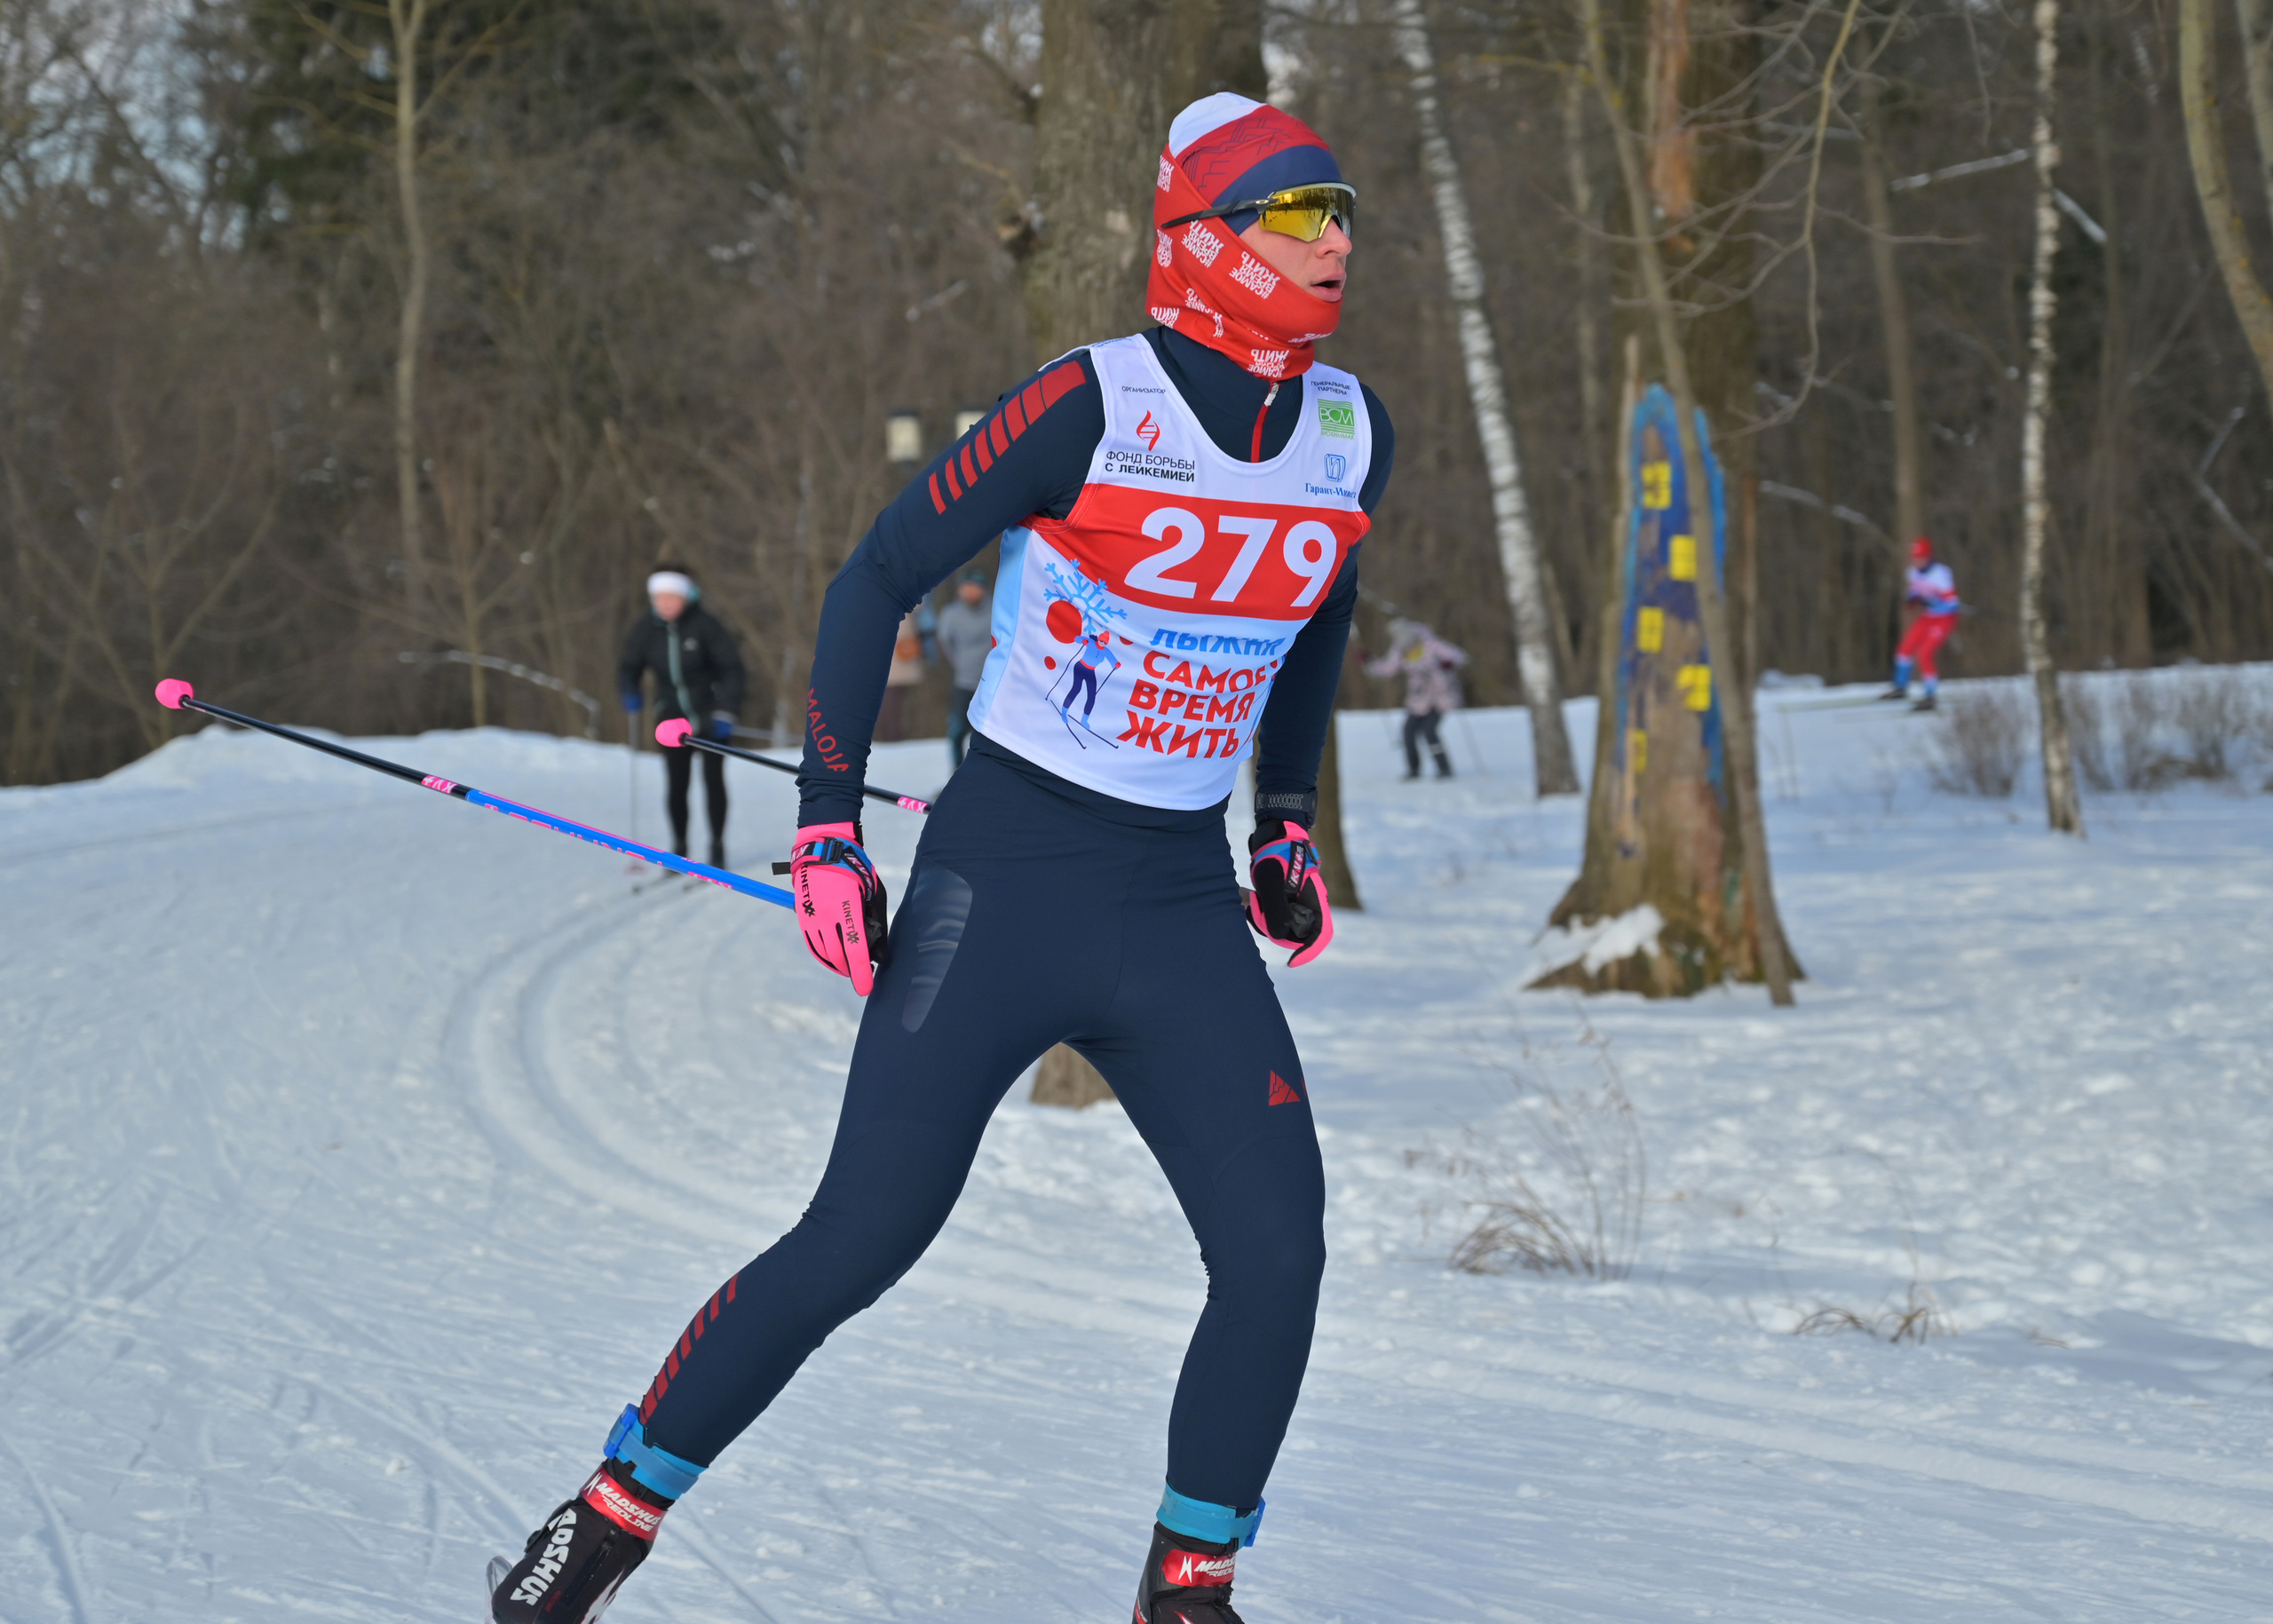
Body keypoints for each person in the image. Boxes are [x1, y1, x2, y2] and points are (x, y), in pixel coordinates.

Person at [491, 92, 1392, 1624]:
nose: (1332, 245)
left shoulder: (1354, 427)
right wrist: (829, 827)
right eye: (1296, 215)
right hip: (1009, 874)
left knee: (1280, 1250)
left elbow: (1319, 617)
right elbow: (878, 575)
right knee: (862, 1238)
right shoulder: (1091, 402)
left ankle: (1191, 1588)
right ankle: (605, 1514)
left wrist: (1284, 814)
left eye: (1343, 214)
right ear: (1201, 240)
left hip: (1177, 905)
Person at [617, 566, 745, 868]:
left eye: (671, 597)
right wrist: (629, 689)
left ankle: (716, 846)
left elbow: (732, 670)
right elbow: (628, 665)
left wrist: (726, 710)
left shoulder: (705, 626)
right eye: (658, 598)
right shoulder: (646, 628)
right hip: (671, 717)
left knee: (713, 781)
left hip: (710, 714)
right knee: (677, 784)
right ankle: (679, 847)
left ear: (686, 596)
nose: (664, 604)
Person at [1365, 617, 1467, 780]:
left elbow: (1459, 656)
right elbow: (1387, 669)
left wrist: (1449, 664)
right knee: (1408, 732)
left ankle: (1444, 769)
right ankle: (1414, 770)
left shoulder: (1431, 644)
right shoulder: (1400, 649)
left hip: (1441, 696)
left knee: (1429, 731)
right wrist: (1369, 662)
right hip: (1418, 699)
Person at [1886, 536, 1960, 711]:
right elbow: (1914, 593)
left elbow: (1952, 603)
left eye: (1921, 558)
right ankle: (1900, 688)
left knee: (1924, 654)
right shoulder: (1912, 573)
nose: (1918, 562)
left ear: (1929, 557)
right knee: (1904, 650)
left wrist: (1935, 601)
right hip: (1928, 617)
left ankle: (1930, 696)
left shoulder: (1941, 574)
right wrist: (1911, 600)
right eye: (1915, 558)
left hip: (1944, 619)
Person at [935, 568, 992, 769]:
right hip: (964, 682)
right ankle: (955, 775)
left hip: (992, 684)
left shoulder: (996, 610)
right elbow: (945, 643)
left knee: (988, 733)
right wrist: (961, 664)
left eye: (975, 588)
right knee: (957, 731)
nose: (970, 592)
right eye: (966, 588)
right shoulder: (951, 614)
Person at [874, 610, 926, 741]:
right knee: (889, 703)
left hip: (897, 659)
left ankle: (891, 739)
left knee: (890, 703)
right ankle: (891, 739)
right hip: (895, 658)